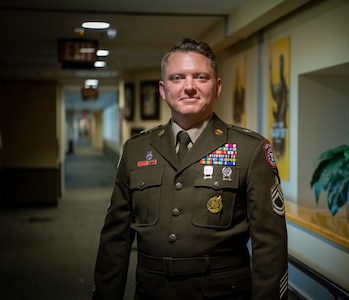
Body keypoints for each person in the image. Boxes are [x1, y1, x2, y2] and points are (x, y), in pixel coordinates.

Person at [92, 38, 288, 300]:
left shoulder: (249, 150)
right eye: (177, 78)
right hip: (152, 292)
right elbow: (114, 241)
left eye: (201, 77)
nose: (189, 87)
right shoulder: (135, 150)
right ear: (163, 90)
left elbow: (270, 247)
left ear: (217, 87)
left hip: (222, 294)